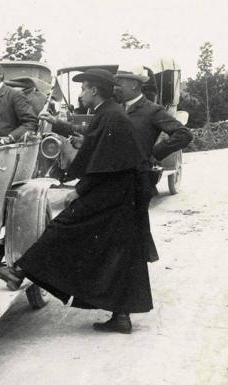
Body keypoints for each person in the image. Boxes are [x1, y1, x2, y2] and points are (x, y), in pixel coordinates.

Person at [14, 69, 156, 334]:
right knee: (118, 253)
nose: (81, 94)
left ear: (94, 91)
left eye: (83, 89)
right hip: (119, 194)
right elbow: (99, 145)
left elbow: (108, 165)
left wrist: (78, 190)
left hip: (113, 193)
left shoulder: (111, 115)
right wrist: (80, 139)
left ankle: (20, 272)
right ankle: (121, 317)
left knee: (63, 228)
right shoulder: (109, 112)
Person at [113, 65, 193, 174]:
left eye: (119, 83)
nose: (115, 88)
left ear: (134, 84)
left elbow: (184, 134)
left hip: (140, 177)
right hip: (116, 175)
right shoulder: (117, 109)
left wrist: (154, 154)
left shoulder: (152, 110)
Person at [0, 61, 38, 142]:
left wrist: (10, 138)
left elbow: (31, 122)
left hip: (5, 149)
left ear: (0, 74)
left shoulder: (14, 94)